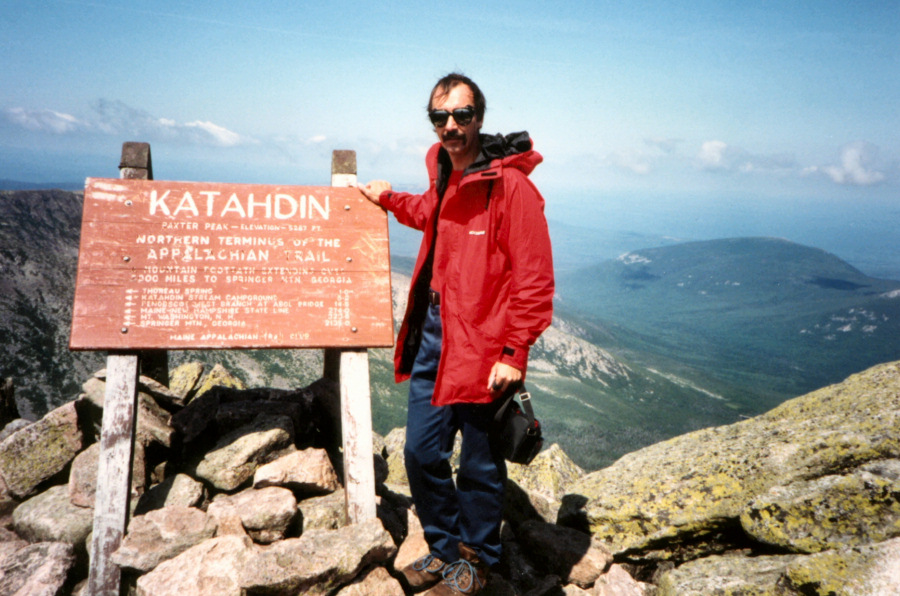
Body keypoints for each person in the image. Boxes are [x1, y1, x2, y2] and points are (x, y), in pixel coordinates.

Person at [357, 73, 554, 595]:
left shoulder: (512, 188)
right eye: (440, 117)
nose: (451, 126)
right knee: (421, 453)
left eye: (461, 116)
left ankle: (476, 562)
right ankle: (444, 549)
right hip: (435, 334)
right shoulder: (444, 173)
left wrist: (515, 351)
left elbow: (534, 279)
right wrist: (389, 199)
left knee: (480, 464)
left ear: (480, 119)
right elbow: (432, 214)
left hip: (486, 344)